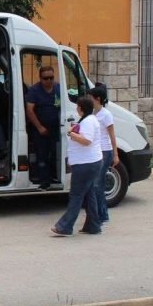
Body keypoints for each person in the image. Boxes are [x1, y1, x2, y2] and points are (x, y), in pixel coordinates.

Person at [51, 95, 103, 237]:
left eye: (77, 106)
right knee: (89, 194)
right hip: (88, 162)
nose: (76, 108)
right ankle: (93, 225)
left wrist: (71, 133)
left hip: (86, 164)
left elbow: (87, 140)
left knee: (76, 195)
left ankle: (65, 226)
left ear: (81, 108)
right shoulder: (88, 120)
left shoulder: (89, 122)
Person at [25, 66, 61, 190]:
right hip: (40, 130)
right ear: (40, 78)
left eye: (51, 77)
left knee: (55, 155)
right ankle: (44, 182)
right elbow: (29, 110)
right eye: (46, 78)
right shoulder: (34, 90)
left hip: (56, 129)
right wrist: (40, 127)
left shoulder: (58, 88)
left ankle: (54, 177)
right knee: (42, 156)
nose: (49, 80)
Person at [90, 85, 119, 227]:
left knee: (97, 185)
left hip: (105, 152)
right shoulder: (94, 114)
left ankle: (102, 215)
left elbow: (112, 135)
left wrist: (115, 154)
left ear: (98, 99)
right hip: (96, 152)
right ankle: (102, 214)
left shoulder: (106, 115)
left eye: (91, 98)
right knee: (97, 185)